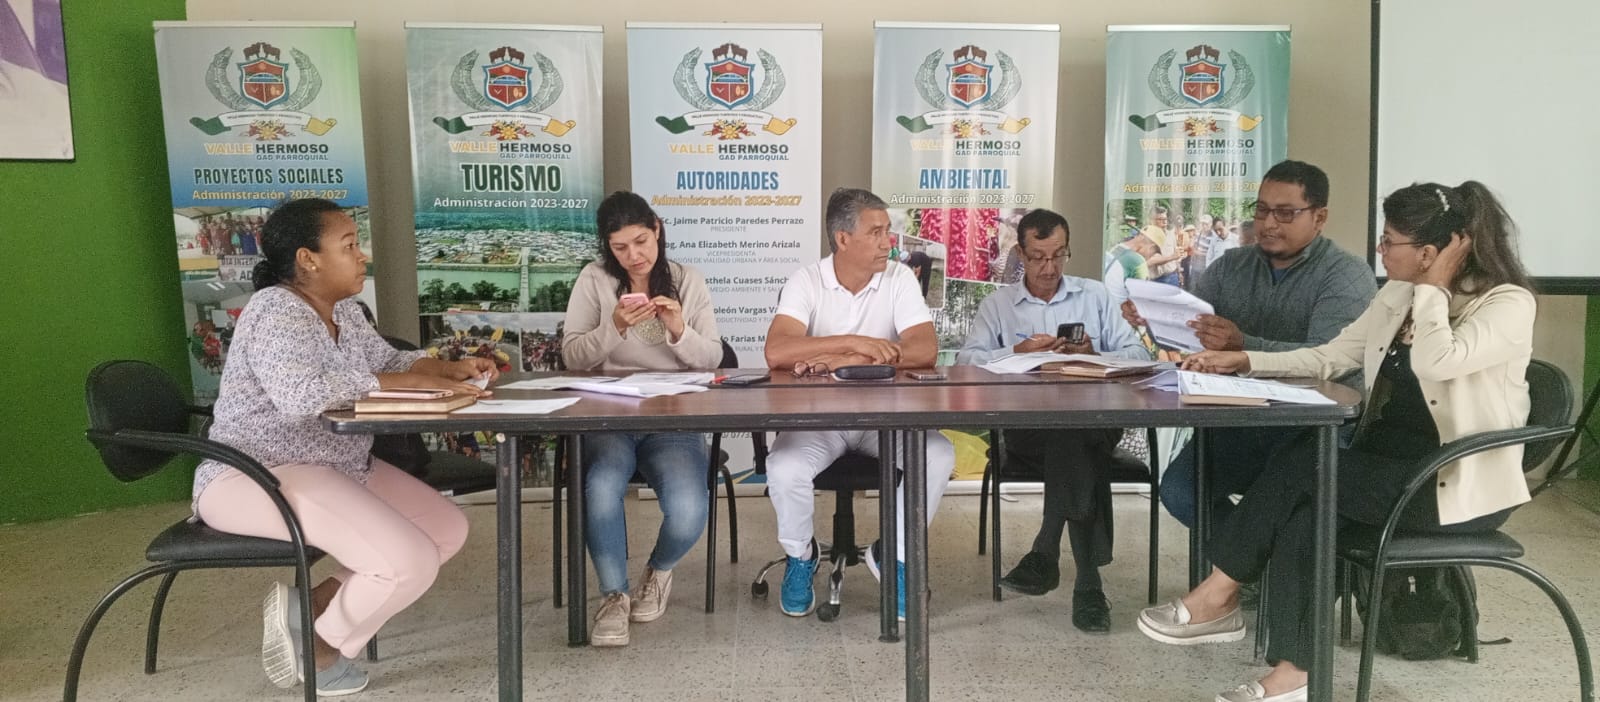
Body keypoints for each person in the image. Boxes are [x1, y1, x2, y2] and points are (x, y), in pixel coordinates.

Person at [1137, 181, 1536, 702]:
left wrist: (1434, 289)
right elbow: (1332, 355)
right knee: (1307, 515)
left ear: (1429, 254)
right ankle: (1292, 678)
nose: (1380, 250)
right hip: (1384, 471)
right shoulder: (1396, 295)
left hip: (1453, 486)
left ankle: (1219, 592)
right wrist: (1247, 360)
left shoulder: (1506, 304)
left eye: (1389, 241)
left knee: (1309, 465)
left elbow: (1439, 361)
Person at [191, 198, 489, 696]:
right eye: (349, 245)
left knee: (445, 530)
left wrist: (447, 368)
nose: (362, 255)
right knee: (408, 562)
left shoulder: (344, 312)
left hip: (338, 465)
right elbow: (299, 395)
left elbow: (389, 362)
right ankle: (321, 648)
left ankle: (309, 606)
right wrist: (399, 383)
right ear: (308, 259)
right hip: (255, 473)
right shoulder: (273, 311)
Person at [1123, 160, 1378, 534]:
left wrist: (1241, 346)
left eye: (1285, 213)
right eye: (1261, 210)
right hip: (1239, 421)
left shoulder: (1347, 275)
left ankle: (1261, 563)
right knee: (1181, 491)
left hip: (1314, 429)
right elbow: (1194, 329)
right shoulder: (1231, 265)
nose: (1268, 223)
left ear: (1319, 217)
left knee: (1286, 508)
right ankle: (1255, 565)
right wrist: (1153, 317)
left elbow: (1326, 358)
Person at [762, 187, 956, 620]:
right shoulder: (807, 281)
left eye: (888, 230)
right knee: (785, 467)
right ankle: (800, 556)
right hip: (818, 422)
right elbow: (777, 352)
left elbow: (924, 349)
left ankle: (895, 555)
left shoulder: (899, 278)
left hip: (884, 420)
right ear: (843, 239)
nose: (889, 242)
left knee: (939, 453)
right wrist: (855, 342)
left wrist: (851, 360)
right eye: (876, 232)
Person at [956, 209, 1150, 632]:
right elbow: (965, 362)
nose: (1049, 268)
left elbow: (1140, 356)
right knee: (1077, 448)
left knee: (1076, 434)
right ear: (1021, 254)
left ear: (1068, 250)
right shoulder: (999, 305)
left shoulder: (1094, 296)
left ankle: (1046, 552)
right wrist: (1016, 353)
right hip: (1028, 429)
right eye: (1038, 257)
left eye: (1059, 255)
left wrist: (1095, 354)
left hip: (1096, 420)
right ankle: (1088, 586)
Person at [561, 191, 723, 647]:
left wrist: (678, 330)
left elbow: (712, 359)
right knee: (601, 484)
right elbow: (572, 356)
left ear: (657, 228)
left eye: (641, 241)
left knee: (689, 508)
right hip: (610, 416)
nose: (634, 255)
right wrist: (614, 326)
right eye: (620, 247)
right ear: (607, 247)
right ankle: (613, 595)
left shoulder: (688, 281)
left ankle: (658, 571)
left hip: (672, 417)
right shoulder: (594, 279)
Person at [1140, 206, 1185, 286]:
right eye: (1160, 219)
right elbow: (1149, 262)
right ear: (1151, 221)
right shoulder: (1146, 237)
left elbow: (1176, 255)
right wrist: (1172, 256)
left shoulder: (1171, 235)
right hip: (1155, 280)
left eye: (1165, 219)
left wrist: (1179, 272)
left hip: (1172, 277)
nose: (1164, 222)